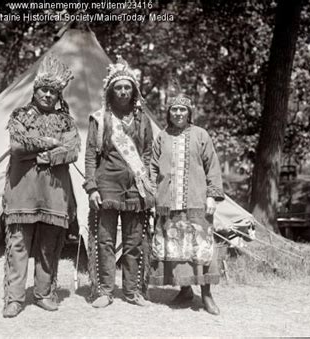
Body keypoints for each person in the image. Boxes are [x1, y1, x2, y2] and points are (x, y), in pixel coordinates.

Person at [2, 55, 80, 318]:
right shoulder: (20, 115)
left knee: (49, 244)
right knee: (19, 244)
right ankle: (14, 298)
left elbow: (72, 150)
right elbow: (16, 147)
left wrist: (43, 153)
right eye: (43, 89)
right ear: (35, 91)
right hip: (23, 189)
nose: (48, 94)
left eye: (53, 91)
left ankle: (44, 292)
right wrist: (50, 141)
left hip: (55, 191)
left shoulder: (66, 120)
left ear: (58, 95)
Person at [83, 56, 154, 308]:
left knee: (135, 241)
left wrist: (146, 182)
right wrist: (91, 187)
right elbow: (91, 154)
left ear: (134, 90)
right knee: (105, 241)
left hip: (136, 188)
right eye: (118, 87)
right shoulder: (100, 119)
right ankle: (104, 290)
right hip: (107, 187)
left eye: (127, 87)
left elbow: (147, 154)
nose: (123, 91)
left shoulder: (142, 119)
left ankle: (133, 291)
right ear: (110, 91)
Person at [149, 95, 225, 315]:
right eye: (174, 109)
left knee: (199, 249)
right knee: (178, 249)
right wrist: (154, 196)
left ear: (189, 113)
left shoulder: (201, 135)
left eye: (182, 109)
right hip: (168, 204)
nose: (178, 113)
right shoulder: (162, 137)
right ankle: (185, 290)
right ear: (169, 113)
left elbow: (213, 166)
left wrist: (212, 196)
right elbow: (153, 169)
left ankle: (207, 294)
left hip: (197, 202)